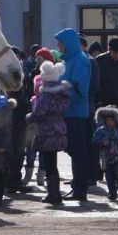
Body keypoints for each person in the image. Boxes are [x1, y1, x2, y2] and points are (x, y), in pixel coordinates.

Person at [54, 28, 94, 201]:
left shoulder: (79, 59)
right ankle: (78, 186)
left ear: (68, 43)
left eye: (60, 42)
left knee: (77, 151)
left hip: (75, 112)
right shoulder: (70, 60)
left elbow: (79, 88)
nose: (58, 46)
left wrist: (63, 100)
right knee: (73, 149)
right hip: (68, 111)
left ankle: (80, 189)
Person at [29, 60, 70, 206]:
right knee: (53, 163)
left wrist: (28, 117)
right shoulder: (62, 93)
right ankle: (55, 193)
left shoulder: (45, 95)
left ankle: (53, 194)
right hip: (59, 127)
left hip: (47, 130)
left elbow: (39, 113)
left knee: (49, 163)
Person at [92, 105, 118, 199]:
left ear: (116, 120)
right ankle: (112, 193)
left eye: (111, 120)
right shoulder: (101, 131)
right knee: (109, 177)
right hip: (106, 158)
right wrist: (101, 142)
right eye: (107, 120)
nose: (109, 122)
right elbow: (94, 140)